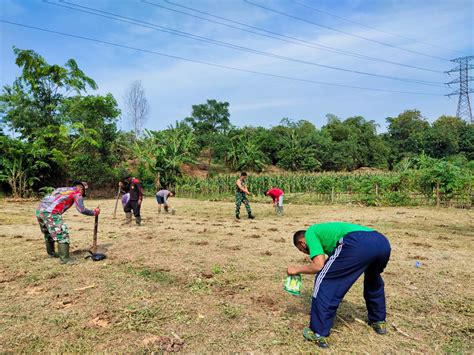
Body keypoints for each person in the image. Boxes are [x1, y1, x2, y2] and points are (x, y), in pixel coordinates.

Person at [287, 222, 391, 348]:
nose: (306, 253)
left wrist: (296, 270)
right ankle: (378, 321)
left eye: (302, 250)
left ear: (302, 243)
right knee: (373, 280)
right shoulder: (328, 236)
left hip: (356, 241)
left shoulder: (310, 233)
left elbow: (318, 265)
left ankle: (318, 333)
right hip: (381, 242)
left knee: (325, 281)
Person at [35, 181, 100, 264]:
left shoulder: (62, 189)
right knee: (62, 233)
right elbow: (81, 209)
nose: (83, 193)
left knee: (48, 233)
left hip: (39, 210)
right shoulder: (77, 193)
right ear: (81, 188)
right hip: (51, 213)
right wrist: (94, 212)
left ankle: (51, 253)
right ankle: (65, 259)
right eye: (84, 191)